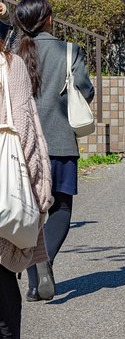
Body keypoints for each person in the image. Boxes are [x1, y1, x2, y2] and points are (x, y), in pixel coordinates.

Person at [13, 0, 95, 302]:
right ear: (48, 19)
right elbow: (85, 90)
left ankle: (35, 285)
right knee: (60, 208)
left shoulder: (14, 53)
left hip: (22, 145)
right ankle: (44, 260)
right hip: (60, 143)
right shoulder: (68, 50)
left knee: (31, 215)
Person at [0, 23, 53, 338]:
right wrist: (38, 194)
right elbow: (25, 133)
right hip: (3, 194)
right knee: (5, 311)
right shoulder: (9, 66)